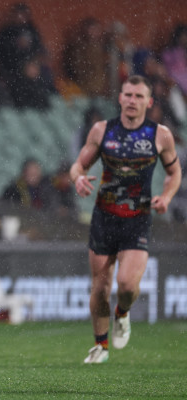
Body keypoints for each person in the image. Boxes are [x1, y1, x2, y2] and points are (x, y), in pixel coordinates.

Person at [70, 75, 181, 364]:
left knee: (128, 286)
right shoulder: (102, 130)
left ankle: (122, 313)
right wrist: (79, 179)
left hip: (138, 217)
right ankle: (100, 346)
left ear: (149, 102)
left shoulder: (160, 135)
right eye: (128, 95)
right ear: (120, 98)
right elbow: (78, 166)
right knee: (101, 287)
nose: (132, 100)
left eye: (139, 96)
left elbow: (174, 173)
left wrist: (166, 197)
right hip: (104, 217)